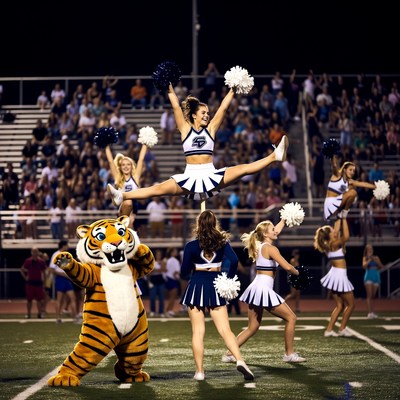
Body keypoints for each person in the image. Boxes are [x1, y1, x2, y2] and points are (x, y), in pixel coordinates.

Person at [108, 83, 288, 204]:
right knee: (158, 189)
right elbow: (177, 107)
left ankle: (275, 156)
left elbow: (223, 108)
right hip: (190, 176)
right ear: (194, 115)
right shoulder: (186, 130)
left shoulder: (211, 130)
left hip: (211, 173)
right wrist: (170, 90)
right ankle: (121, 195)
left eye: (208, 113)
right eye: (203, 112)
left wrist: (233, 89)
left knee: (244, 169)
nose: (207, 115)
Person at [180, 210, 254, 381]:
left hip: (197, 285)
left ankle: (199, 372)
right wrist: (227, 278)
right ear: (215, 224)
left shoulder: (191, 246)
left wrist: (193, 267)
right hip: (215, 285)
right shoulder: (222, 243)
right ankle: (240, 360)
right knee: (225, 330)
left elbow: (184, 272)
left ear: (198, 225)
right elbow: (234, 261)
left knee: (198, 332)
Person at [222, 217, 306, 364]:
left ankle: (229, 354)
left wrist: (284, 220)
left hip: (256, 287)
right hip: (263, 290)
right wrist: (299, 273)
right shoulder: (270, 248)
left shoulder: (261, 246)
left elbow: (276, 231)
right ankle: (289, 354)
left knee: (252, 327)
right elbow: (287, 266)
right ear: (266, 234)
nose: (276, 231)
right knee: (291, 318)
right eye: (272, 229)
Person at [314, 218, 355, 337]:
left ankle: (329, 330)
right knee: (351, 305)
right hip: (339, 276)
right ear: (329, 235)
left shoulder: (331, 244)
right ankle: (342, 328)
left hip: (335, 276)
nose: (335, 231)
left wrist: (340, 216)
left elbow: (337, 229)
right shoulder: (333, 244)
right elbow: (346, 236)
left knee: (340, 306)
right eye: (332, 231)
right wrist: (345, 218)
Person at [105, 141, 148, 228]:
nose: (126, 166)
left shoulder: (135, 177)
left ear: (132, 166)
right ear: (120, 167)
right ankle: (122, 223)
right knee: (128, 203)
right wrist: (105, 145)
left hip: (134, 207)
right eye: (123, 165)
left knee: (130, 229)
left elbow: (141, 159)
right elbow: (110, 161)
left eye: (128, 164)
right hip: (123, 206)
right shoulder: (118, 177)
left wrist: (145, 142)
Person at [324, 155, 377, 220]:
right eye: (350, 170)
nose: (352, 172)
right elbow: (334, 166)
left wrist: (374, 186)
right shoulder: (338, 176)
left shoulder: (350, 181)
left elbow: (362, 183)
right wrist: (332, 157)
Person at [49, 240, 79, 324]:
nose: (68, 247)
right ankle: (58, 318)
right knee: (60, 299)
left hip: (67, 279)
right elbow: (52, 269)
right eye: (67, 245)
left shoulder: (66, 256)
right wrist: (63, 275)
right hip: (60, 279)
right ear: (63, 246)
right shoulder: (56, 255)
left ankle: (75, 318)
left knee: (72, 298)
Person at [20, 247, 47, 319]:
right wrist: (26, 278)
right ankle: (28, 314)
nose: (35, 253)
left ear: (38, 252)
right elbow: (22, 269)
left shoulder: (41, 261)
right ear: (31, 252)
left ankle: (39, 313)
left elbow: (44, 272)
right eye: (33, 252)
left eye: (36, 252)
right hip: (30, 283)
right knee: (29, 300)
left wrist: (44, 281)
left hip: (38, 283)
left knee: (39, 299)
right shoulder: (28, 261)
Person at [362, 244, 384, 319]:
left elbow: (381, 266)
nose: (370, 250)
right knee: (369, 295)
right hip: (368, 276)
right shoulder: (365, 258)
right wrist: (369, 260)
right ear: (366, 250)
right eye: (369, 249)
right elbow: (364, 266)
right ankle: (369, 313)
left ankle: (372, 312)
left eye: (371, 249)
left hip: (376, 276)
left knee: (373, 296)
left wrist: (376, 260)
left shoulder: (376, 257)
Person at [148, 249, 167, 317]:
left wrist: (155, 270)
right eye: (157, 254)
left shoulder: (163, 262)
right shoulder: (152, 262)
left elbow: (164, 270)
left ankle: (161, 311)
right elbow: (149, 271)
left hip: (160, 281)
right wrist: (158, 270)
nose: (158, 255)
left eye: (159, 254)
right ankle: (152, 311)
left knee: (161, 298)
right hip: (153, 281)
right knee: (152, 297)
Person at [284, 249, 302, 313]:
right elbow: (291, 270)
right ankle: (282, 303)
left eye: (298, 254)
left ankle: (297, 308)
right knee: (292, 294)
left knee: (298, 294)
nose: (298, 255)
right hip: (293, 279)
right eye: (296, 254)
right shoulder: (293, 261)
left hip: (297, 279)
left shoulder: (297, 261)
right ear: (294, 255)